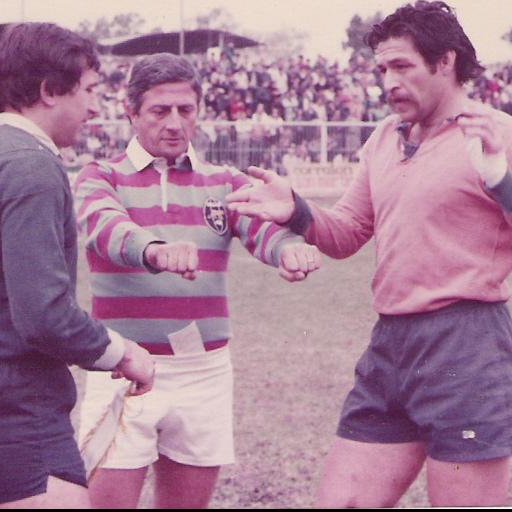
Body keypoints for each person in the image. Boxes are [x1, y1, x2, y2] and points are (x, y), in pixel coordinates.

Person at [226, 1, 512, 507]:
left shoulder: (500, 135)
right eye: (382, 69)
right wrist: (297, 212)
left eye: (402, 66)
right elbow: (349, 231)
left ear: (446, 62)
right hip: (391, 347)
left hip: (467, 348)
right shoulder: (383, 138)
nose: (388, 82)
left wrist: (503, 182)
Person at [73, 52, 321, 509]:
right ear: (131, 112)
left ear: (199, 111)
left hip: (204, 372)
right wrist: (153, 250)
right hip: (123, 369)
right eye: (159, 110)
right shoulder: (100, 175)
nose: (174, 123)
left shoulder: (224, 181)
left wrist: (290, 251)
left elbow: (262, 229)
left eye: (185, 110)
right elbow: (105, 227)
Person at [0, 23, 155, 509]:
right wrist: (122, 352)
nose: (96, 108)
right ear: (49, 91)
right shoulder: (30, 161)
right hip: (8, 399)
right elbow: (44, 316)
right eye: (90, 91)